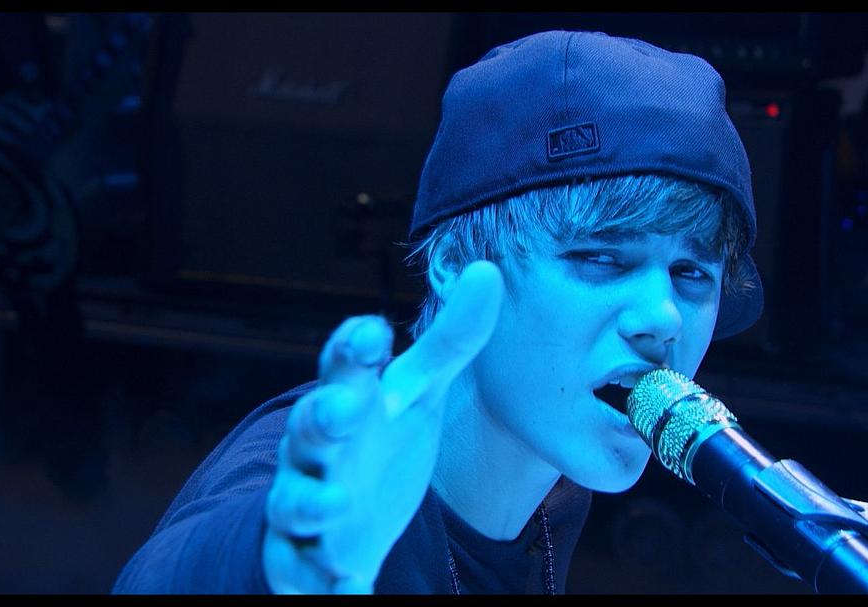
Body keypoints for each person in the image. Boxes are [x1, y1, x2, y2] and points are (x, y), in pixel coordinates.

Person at [112, 29, 763, 594]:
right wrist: (270, 559)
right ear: (455, 262)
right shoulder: (334, 467)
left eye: (692, 273)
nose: (664, 315)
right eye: (601, 258)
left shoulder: (554, 494)